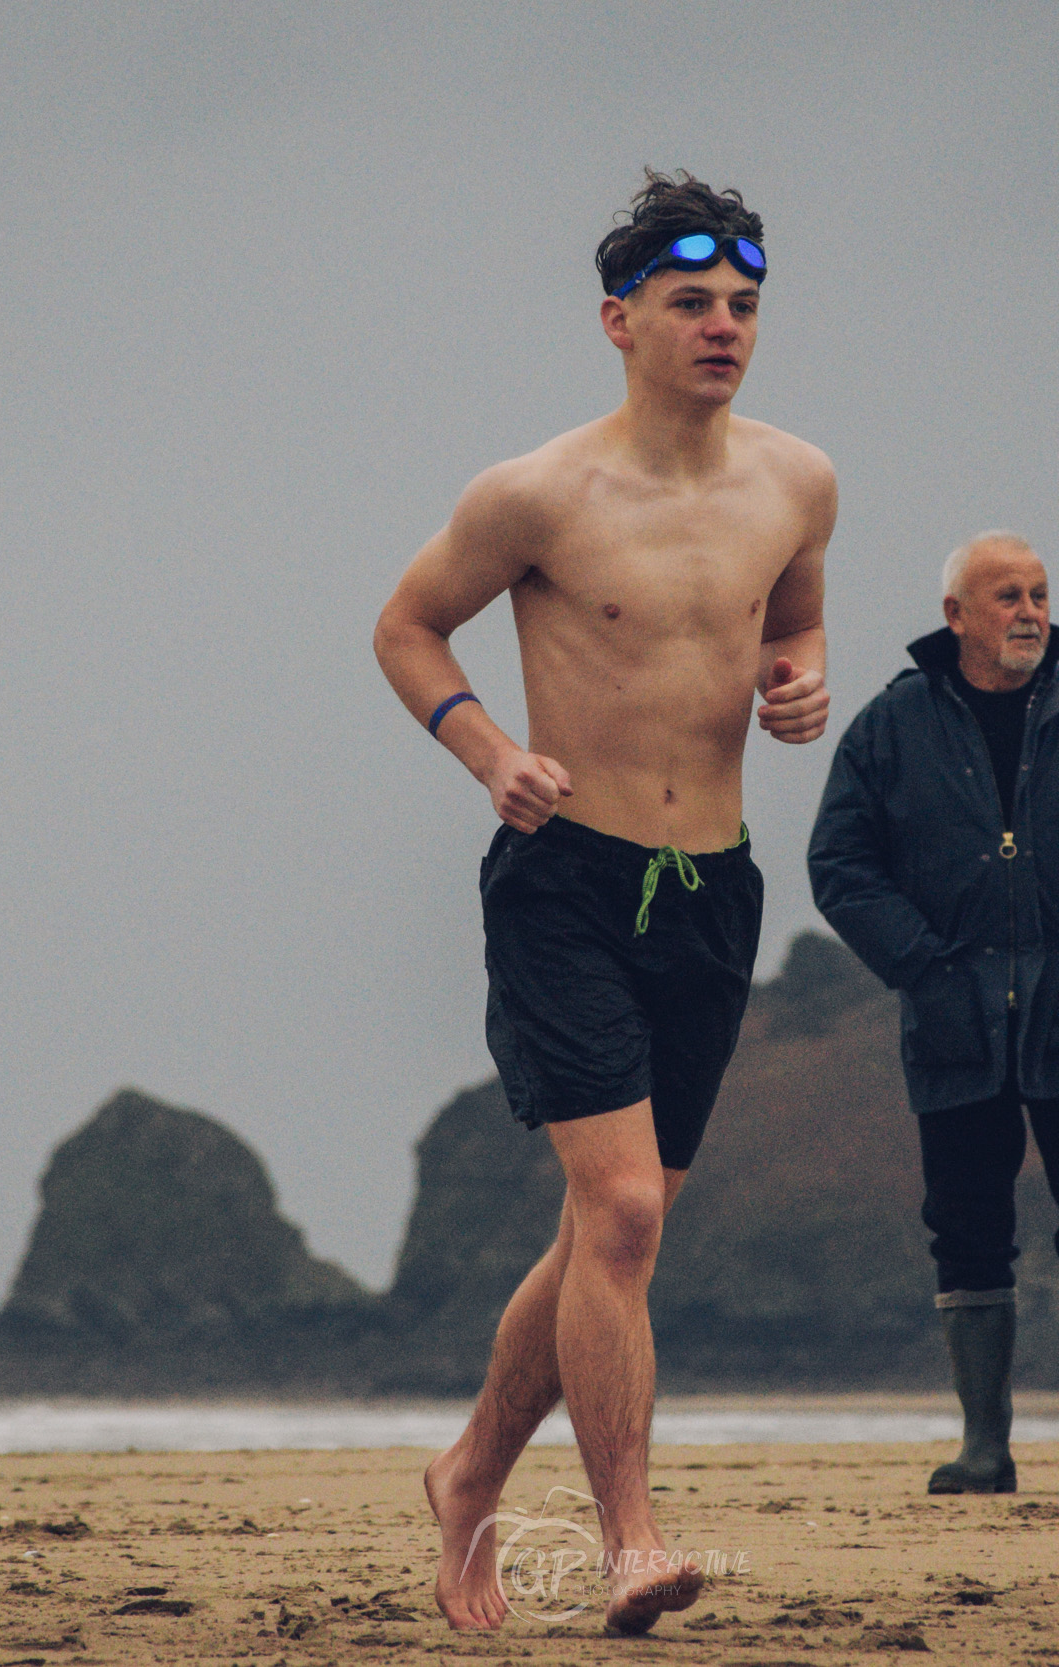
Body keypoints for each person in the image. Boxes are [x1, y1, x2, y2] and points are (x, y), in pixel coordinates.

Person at [373, 172, 834, 1633]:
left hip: (715, 886)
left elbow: (798, 605)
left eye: (743, 304)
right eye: (692, 302)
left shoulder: (797, 480)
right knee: (623, 1207)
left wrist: (798, 674)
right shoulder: (536, 495)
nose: (722, 327)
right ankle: (633, 1534)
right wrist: (490, 749)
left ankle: (469, 1476)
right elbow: (406, 624)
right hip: (567, 876)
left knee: (605, 1233)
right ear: (618, 321)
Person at [808, 532, 1059, 1496]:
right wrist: (927, 970)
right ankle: (985, 1446)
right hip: (952, 1021)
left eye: (1039, 593)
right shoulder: (889, 726)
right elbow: (839, 867)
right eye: (1008, 596)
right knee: (967, 1227)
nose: (1030, 612)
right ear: (956, 616)